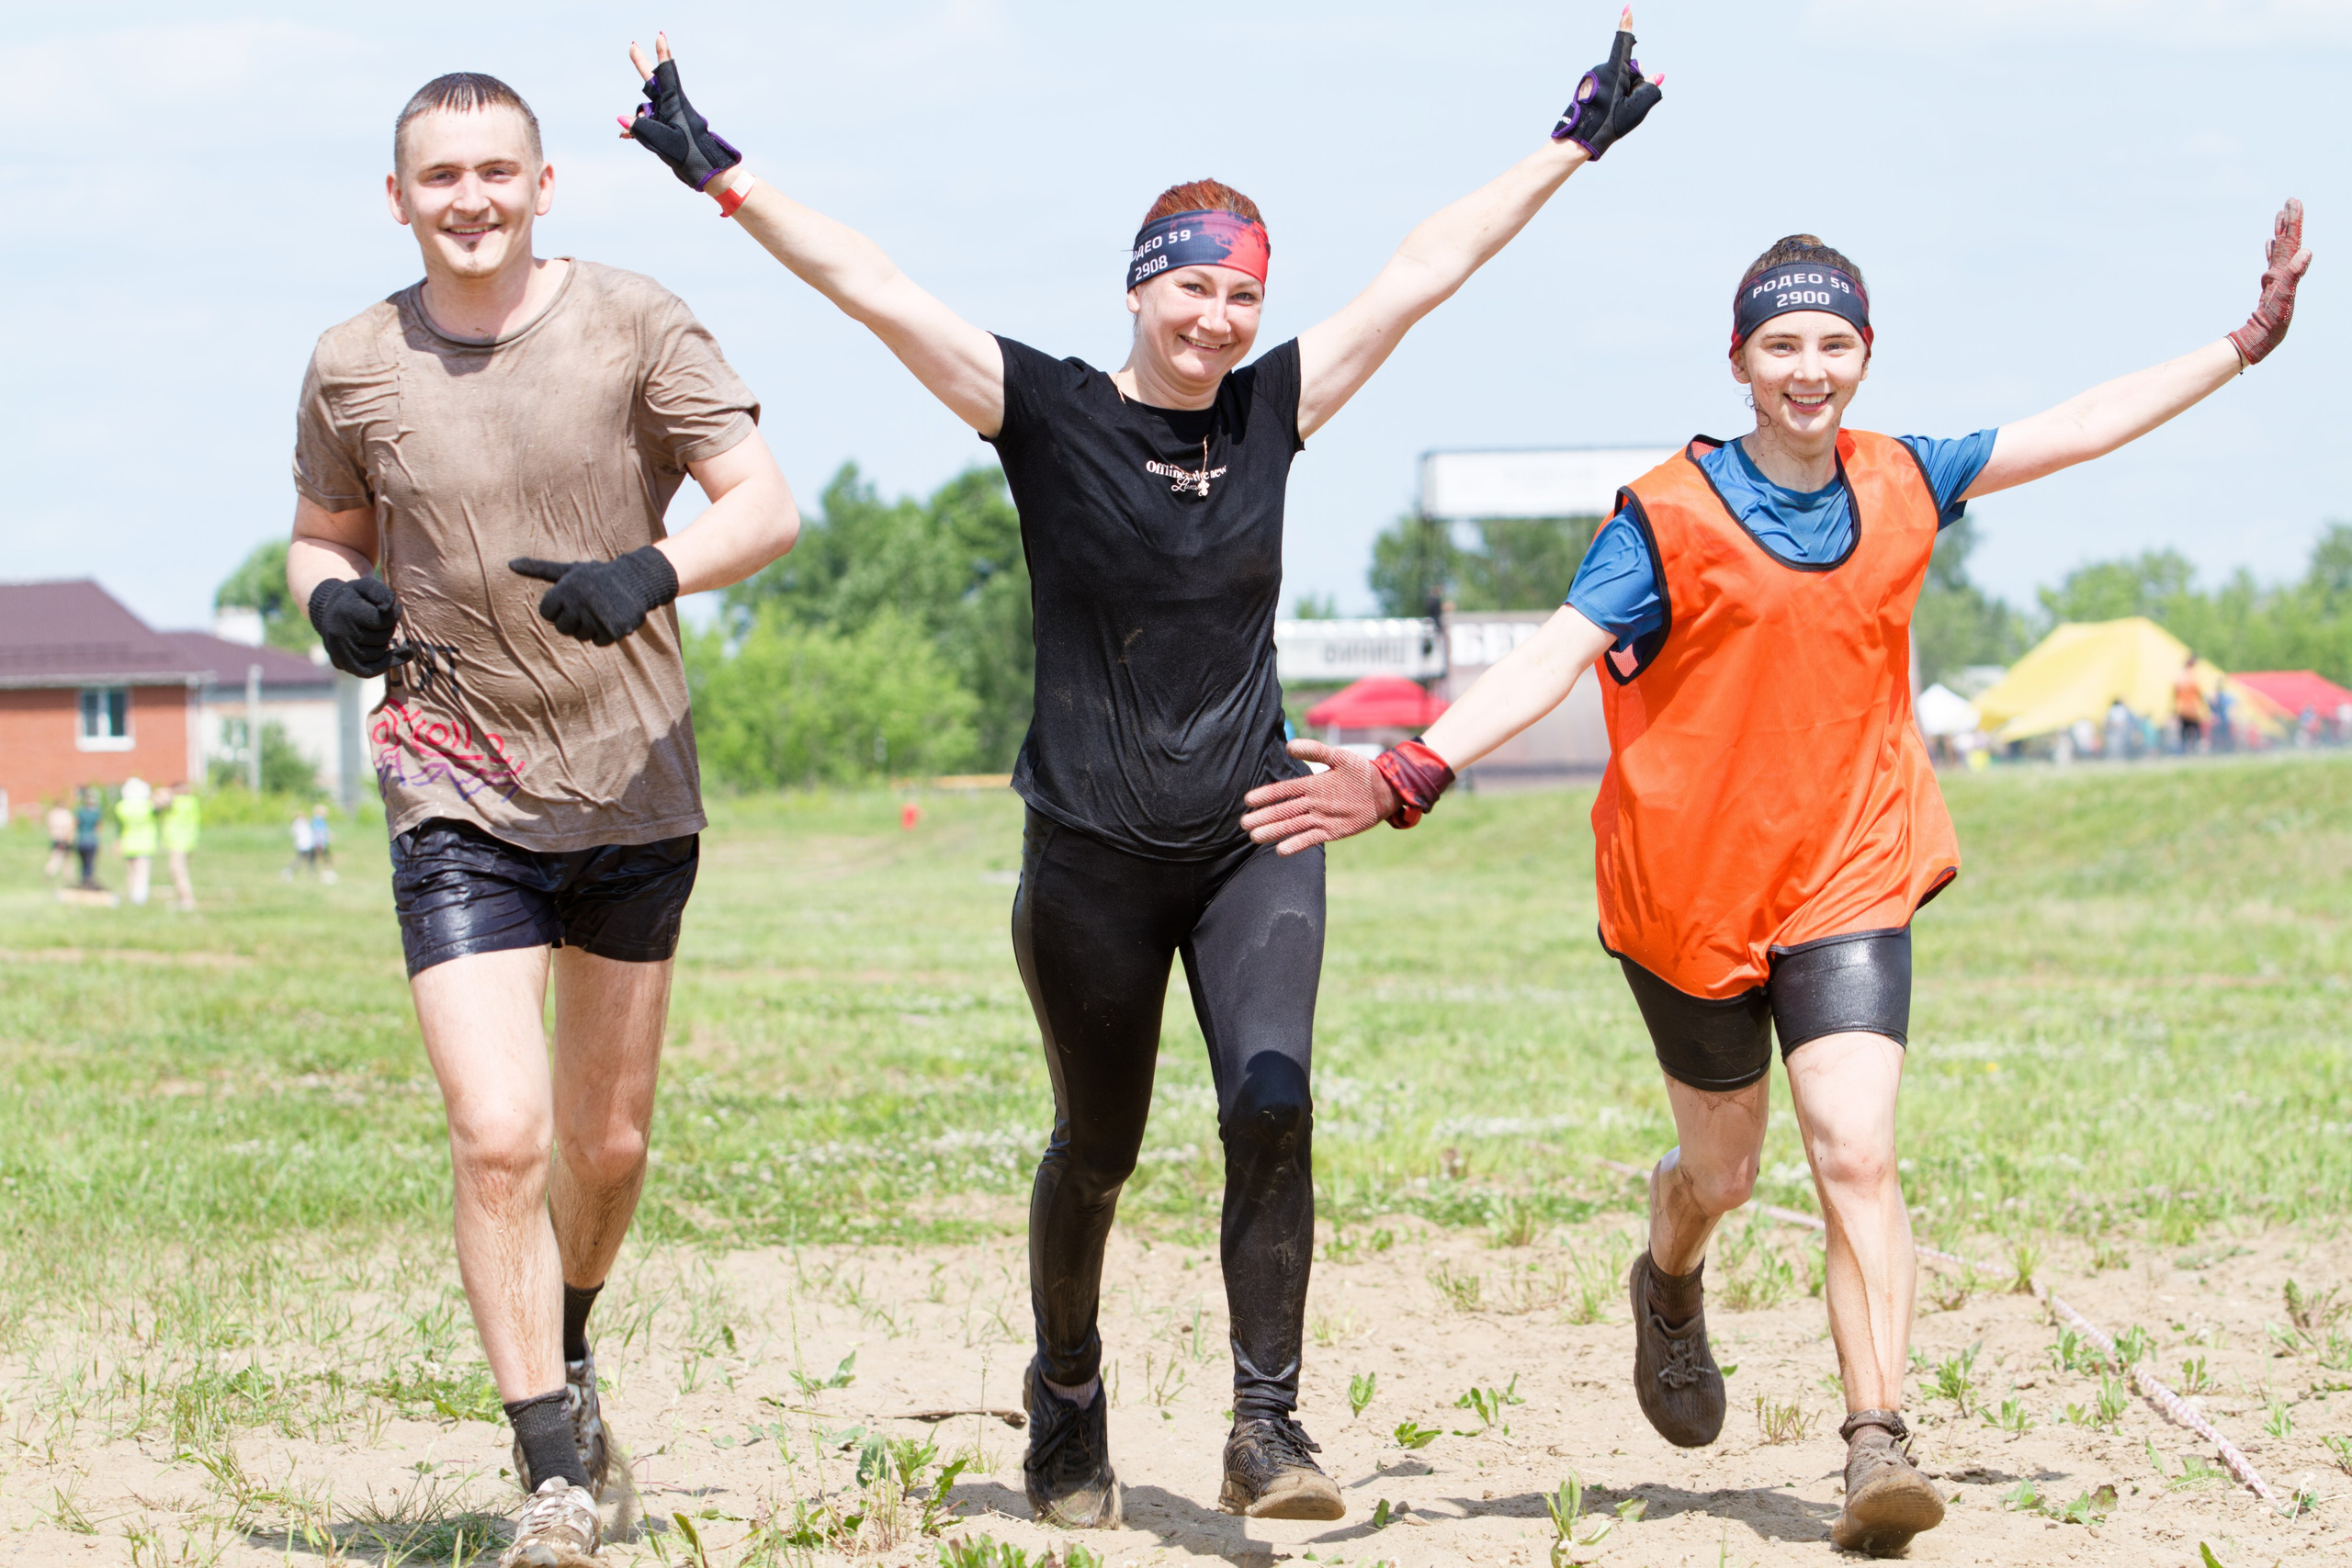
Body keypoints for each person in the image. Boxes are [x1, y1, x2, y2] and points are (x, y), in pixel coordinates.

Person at [612, 12, 1662, 1529]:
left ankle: (1266, 1424)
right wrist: (715, 168)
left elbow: (1428, 270)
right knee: (1096, 1147)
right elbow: (875, 288)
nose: (1220, 316)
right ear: (1138, 282)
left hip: (1256, 831)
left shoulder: (1273, 410)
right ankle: (1069, 1393)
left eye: (1243, 291)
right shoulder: (1045, 413)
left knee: (1275, 1099)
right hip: (1090, 855)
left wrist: (1569, 142)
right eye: (1194, 284)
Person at [1240, 200, 2310, 1557]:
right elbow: (1550, 656)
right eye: (1782, 344)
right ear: (1739, 360)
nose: (1810, 367)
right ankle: (1670, 1271)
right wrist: (1414, 768)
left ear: (1866, 354)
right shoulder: (1666, 517)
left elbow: (2081, 418)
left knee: (1857, 1150)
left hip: (1852, 866)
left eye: (1835, 342)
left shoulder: (1910, 477)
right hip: (1687, 893)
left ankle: (1877, 1438)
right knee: (1724, 1170)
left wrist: (2243, 343)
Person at [283, 69, 799, 1568]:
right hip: (451, 774)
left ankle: (567, 1337)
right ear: (400, 196)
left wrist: (657, 571)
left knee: (608, 1144)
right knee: (500, 1135)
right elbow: (322, 532)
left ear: (543, 183)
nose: (470, 198)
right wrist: (335, 601)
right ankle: (551, 1473)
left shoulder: (635, 320)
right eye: (439, 176)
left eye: (496, 171)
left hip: (633, 775)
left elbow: (760, 501)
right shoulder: (351, 363)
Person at [116, 778, 158, 906]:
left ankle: (132, 894)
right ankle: (140, 897)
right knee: (142, 872)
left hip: (128, 843)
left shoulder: (121, 807)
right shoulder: (148, 806)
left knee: (131, 871)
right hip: (145, 844)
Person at [160, 785, 202, 912]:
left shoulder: (177, 803)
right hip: (188, 842)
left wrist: (165, 793)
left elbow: (160, 801)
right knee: (181, 871)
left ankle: (187, 900)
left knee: (177, 872)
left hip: (178, 843)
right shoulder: (192, 802)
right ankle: (182, 899)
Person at [2175, 653, 2211, 751]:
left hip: (2182, 709)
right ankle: (2198, 751)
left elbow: (2175, 693)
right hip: (2193, 710)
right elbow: (2199, 693)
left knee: (2184, 733)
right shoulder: (2193, 676)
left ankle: (2183, 751)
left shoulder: (2180, 676)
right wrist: (2205, 705)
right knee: (2197, 732)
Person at [74, 788, 106, 890]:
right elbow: (98, 828)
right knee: (90, 862)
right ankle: (88, 880)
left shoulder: (80, 812)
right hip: (91, 840)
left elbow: (75, 824)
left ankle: (84, 880)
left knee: (83, 862)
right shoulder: (96, 812)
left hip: (82, 840)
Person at [44, 799, 75, 880]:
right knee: (66, 860)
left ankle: (49, 872)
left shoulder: (52, 814)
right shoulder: (66, 814)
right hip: (64, 838)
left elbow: (49, 826)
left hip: (55, 838)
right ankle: (67, 878)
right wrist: (69, 838)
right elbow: (70, 827)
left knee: (56, 857)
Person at [286, 810, 317, 880]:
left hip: (308, 844)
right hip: (304, 844)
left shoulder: (301, 824)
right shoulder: (299, 824)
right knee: (300, 859)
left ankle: (312, 871)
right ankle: (289, 870)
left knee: (311, 858)